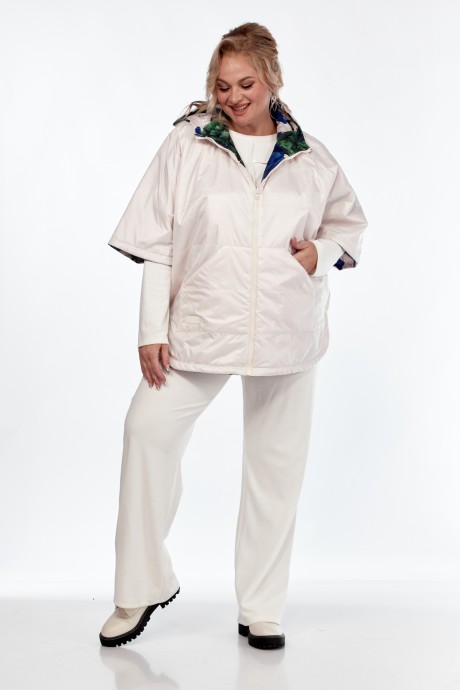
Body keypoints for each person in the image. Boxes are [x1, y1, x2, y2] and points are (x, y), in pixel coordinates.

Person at [99, 22, 367, 650]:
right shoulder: (188, 144)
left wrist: (321, 253)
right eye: (223, 86)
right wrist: (151, 329)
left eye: (246, 83)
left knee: (276, 467)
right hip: (201, 323)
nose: (234, 96)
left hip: (286, 328)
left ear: (272, 80)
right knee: (146, 431)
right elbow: (157, 240)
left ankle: (261, 608)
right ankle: (141, 585)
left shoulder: (311, 157)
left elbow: (348, 226)